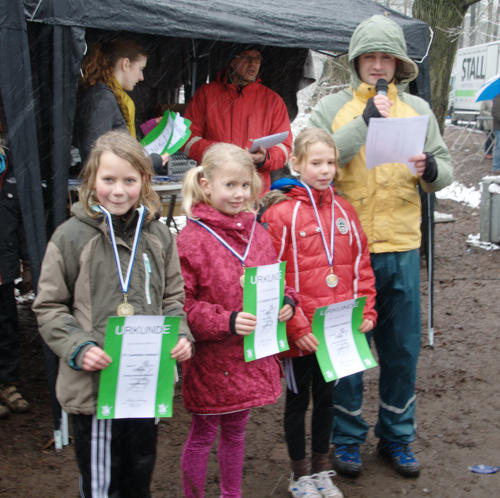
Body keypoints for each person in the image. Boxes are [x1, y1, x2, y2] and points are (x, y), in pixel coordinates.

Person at [308, 15, 453, 478]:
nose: (377, 66)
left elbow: (445, 170)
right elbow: (314, 159)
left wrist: (429, 167)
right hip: (348, 253)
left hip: (403, 248)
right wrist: (364, 124)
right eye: (369, 57)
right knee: (347, 347)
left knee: (401, 348)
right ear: (355, 62)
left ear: (397, 64)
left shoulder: (420, 112)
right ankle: (347, 438)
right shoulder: (332, 108)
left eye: (384, 57)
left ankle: (397, 435)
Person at [32, 130, 193, 497]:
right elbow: (49, 305)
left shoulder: (159, 237)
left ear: (145, 182)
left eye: (129, 180)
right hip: (95, 389)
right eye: (108, 179)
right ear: (91, 180)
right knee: (102, 484)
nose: (118, 191)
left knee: (139, 475)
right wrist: (78, 345)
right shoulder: (71, 237)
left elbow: (174, 299)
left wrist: (181, 335)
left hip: (145, 384)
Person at [176, 143, 298, 498]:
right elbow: (183, 305)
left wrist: (287, 300)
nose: (239, 194)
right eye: (230, 185)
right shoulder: (191, 240)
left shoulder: (258, 233)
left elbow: (274, 279)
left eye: (245, 185)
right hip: (213, 360)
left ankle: (232, 494)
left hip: (249, 355)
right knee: (202, 434)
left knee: (237, 431)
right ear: (206, 184)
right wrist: (225, 321)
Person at [261, 128, 376, 498]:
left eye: (330, 162)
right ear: (296, 163)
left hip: (335, 332)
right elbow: (270, 276)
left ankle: (321, 470)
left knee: (328, 401)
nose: (325, 170)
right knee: (298, 402)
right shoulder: (280, 213)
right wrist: (294, 327)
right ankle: (299, 476)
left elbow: (361, 265)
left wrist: (366, 310)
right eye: (316, 162)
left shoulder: (345, 210)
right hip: (301, 334)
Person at [183, 45, 293, 194]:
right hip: (213, 191)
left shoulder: (273, 101)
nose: (253, 63)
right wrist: (221, 154)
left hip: (254, 194)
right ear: (233, 61)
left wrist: (264, 158)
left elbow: (285, 147)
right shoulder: (206, 94)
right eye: (247, 58)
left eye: (257, 59)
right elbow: (187, 139)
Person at [74, 38, 168, 173]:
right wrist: (152, 161)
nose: (141, 77)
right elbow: (95, 156)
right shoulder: (102, 98)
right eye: (140, 69)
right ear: (125, 64)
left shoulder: (105, 95)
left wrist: (148, 128)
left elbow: (113, 138)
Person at [0, 126, 31, 418]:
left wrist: (27, 260)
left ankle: (7, 383)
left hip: (3, 267)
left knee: (7, 326)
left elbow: (21, 220)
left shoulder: (10, 168)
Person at [491, 94, 500, 172]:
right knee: (499, 147)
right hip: (499, 128)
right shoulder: (498, 98)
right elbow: (495, 113)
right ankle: (496, 167)